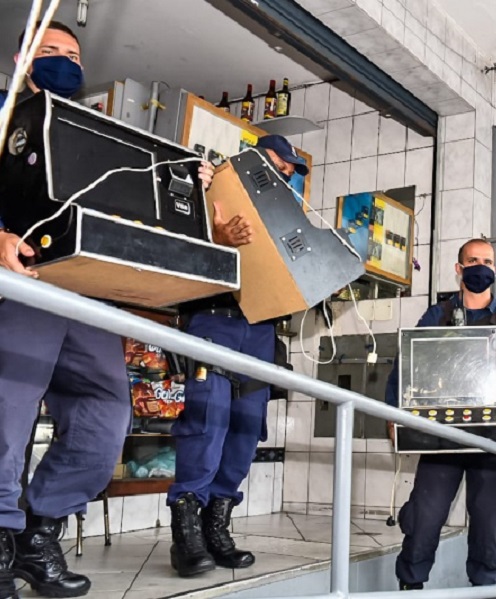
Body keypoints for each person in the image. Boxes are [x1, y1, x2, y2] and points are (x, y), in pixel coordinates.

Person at [0, 22, 215, 599]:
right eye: (50, 52)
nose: (64, 62)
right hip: (22, 283)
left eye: (73, 55)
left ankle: (37, 533)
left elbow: (140, 207)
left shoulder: (96, 132)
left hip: (84, 293)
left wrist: (189, 185)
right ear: (21, 59)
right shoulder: (4, 115)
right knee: (6, 417)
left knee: (105, 418)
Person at [166, 134, 309, 577]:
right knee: (208, 422)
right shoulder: (210, 186)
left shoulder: (285, 218)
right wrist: (217, 237)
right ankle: (186, 536)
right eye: (278, 168)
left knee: (246, 429)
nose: (283, 178)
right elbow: (172, 247)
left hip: (261, 329)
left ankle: (216, 528)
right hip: (214, 318)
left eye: (288, 175)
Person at [385, 238, 496, 590]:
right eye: (473, 260)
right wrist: (393, 414)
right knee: (425, 517)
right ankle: (410, 586)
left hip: (493, 438)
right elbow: (407, 363)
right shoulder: (438, 316)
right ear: (459, 268)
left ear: (495, 269)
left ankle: (486, 589)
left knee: (490, 524)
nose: (481, 267)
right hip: (441, 436)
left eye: (487, 261)